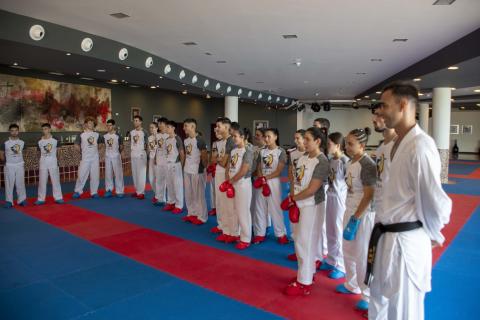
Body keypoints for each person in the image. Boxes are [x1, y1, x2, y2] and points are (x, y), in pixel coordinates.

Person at [368, 82, 452, 320]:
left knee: (405, 313)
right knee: (382, 301)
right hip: (386, 235)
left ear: (403, 105)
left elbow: (435, 200)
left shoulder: (421, 147)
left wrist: (434, 232)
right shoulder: (395, 144)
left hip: (406, 241)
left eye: (384, 105)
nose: (380, 111)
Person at [284, 127, 329, 296]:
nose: (303, 142)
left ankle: (304, 282)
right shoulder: (303, 157)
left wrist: (293, 199)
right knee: (299, 240)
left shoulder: (322, 160)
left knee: (306, 242)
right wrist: (292, 196)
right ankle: (306, 274)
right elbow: (296, 180)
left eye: (307, 139)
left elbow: (312, 189)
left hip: (312, 204)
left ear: (317, 141)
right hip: (300, 202)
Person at [335, 127, 376, 311]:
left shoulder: (368, 164)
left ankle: (367, 295)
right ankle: (351, 284)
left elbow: (369, 195)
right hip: (349, 210)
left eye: (351, 144)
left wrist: (356, 218)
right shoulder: (351, 161)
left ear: (362, 145)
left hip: (363, 215)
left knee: (362, 255)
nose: (347, 147)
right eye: (346, 143)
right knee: (348, 249)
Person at [319, 132, 348, 279]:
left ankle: (341, 266)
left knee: (338, 231)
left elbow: (351, 184)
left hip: (340, 199)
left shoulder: (345, 161)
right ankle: (330, 260)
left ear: (338, 145)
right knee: (329, 229)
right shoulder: (331, 160)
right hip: (329, 196)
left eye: (329, 144)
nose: (327, 146)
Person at [252, 128, 289, 245]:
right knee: (260, 207)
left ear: (276, 137)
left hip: (273, 182)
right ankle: (259, 233)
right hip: (261, 181)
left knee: (275, 208)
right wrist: (261, 177)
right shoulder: (262, 151)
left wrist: (265, 179)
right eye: (265, 137)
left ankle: (280, 234)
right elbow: (258, 166)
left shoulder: (281, 152)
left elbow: (279, 170)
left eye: (269, 136)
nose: (266, 139)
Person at [226, 125, 255, 248]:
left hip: (243, 184)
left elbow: (244, 170)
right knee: (233, 209)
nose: (233, 138)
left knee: (243, 211)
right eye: (232, 136)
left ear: (243, 137)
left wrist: (231, 181)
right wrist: (228, 180)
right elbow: (229, 166)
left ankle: (246, 238)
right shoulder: (233, 150)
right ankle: (235, 233)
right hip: (232, 183)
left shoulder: (247, 151)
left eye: (235, 136)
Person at [211, 117, 235, 241]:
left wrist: (219, 160)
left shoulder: (231, 141)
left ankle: (231, 230)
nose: (217, 128)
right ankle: (222, 225)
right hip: (218, 172)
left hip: (227, 174)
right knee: (219, 201)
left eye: (219, 126)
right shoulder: (219, 142)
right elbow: (213, 159)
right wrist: (219, 160)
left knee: (227, 203)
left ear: (226, 127)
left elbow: (225, 162)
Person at [182, 118, 208, 224]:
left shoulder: (200, 140)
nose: (184, 128)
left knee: (199, 195)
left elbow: (204, 156)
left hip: (197, 171)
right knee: (189, 193)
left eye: (186, 126)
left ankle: (202, 216)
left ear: (193, 127)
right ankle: (191, 213)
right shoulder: (186, 140)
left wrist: (204, 168)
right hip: (187, 169)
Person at [287, 129, 306, 261]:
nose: (295, 141)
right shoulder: (293, 154)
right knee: (293, 221)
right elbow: (291, 172)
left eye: (298, 138)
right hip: (295, 188)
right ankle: (297, 250)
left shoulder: (310, 154)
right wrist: (292, 190)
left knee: (304, 222)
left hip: (305, 191)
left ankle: (306, 253)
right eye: (295, 138)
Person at [72, 117, 103, 199]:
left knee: (95, 175)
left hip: (95, 158)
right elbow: (76, 145)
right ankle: (78, 191)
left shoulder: (97, 135)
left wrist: (95, 150)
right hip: (85, 158)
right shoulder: (81, 134)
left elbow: (100, 144)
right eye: (90, 123)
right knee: (81, 174)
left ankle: (94, 192)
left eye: (93, 123)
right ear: (86, 124)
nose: (91, 124)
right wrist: (82, 152)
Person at [35, 123, 64, 205]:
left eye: (46, 129)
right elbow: (38, 153)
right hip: (43, 163)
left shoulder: (56, 139)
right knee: (42, 181)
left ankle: (58, 197)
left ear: (50, 129)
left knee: (55, 180)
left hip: (53, 162)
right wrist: (40, 161)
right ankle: (41, 199)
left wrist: (59, 161)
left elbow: (59, 151)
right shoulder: (39, 140)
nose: (45, 131)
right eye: (43, 129)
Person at [0, 123, 27, 207]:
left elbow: (24, 153)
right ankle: (9, 201)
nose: (14, 132)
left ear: (18, 131)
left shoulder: (22, 142)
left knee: (20, 183)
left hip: (19, 165)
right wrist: (6, 162)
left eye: (16, 131)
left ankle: (21, 200)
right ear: (9, 132)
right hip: (9, 165)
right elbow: (1, 154)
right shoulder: (5, 142)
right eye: (12, 131)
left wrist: (21, 161)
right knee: (9, 183)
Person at [163, 120, 185, 214]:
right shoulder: (167, 140)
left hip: (176, 164)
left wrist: (182, 165)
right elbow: (167, 152)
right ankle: (171, 202)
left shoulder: (178, 138)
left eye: (168, 127)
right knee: (169, 184)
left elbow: (182, 153)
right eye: (166, 127)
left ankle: (179, 205)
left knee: (177, 185)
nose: (166, 128)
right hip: (168, 163)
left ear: (173, 128)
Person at [103, 119, 125, 198]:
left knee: (118, 174)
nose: (109, 127)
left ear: (114, 126)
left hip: (116, 156)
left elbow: (122, 146)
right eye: (107, 125)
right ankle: (109, 189)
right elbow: (104, 146)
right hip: (108, 157)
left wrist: (121, 155)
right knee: (108, 174)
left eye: (110, 125)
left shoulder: (118, 136)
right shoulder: (105, 136)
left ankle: (120, 191)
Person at [129, 115, 148, 199]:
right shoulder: (131, 132)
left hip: (141, 154)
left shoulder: (145, 132)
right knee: (135, 174)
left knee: (141, 174)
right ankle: (137, 191)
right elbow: (132, 143)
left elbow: (147, 144)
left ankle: (141, 192)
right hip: (133, 154)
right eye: (134, 120)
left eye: (137, 120)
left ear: (141, 122)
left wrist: (146, 154)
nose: (135, 122)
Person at [153, 117, 169, 206]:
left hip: (167, 160)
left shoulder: (169, 135)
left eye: (161, 124)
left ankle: (169, 200)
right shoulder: (157, 135)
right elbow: (156, 147)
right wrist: (155, 157)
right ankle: (160, 199)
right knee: (159, 180)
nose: (159, 125)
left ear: (165, 125)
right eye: (158, 124)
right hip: (159, 159)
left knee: (167, 181)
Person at [207, 129, 220, 216]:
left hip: (220, 168)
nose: (216, 133)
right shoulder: (215, 143)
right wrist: (209, 166)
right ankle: (214, 208)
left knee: (219, 191)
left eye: (218, 131)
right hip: (213, 167)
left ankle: (220, 209)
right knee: (212, 190)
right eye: (215, 132)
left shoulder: (227, 142)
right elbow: (212, 155)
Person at [147, 122, 159, 200]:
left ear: (157, 128)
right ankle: (156, 193)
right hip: (151, 159)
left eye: (152, 127)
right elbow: (149, 149)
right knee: (151, 179)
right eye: (150, 127)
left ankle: (159, 196)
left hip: (159, 160)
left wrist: (156, 157)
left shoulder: (160, 137)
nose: (151, 129)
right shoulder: (149, 138)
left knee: (159, 179)